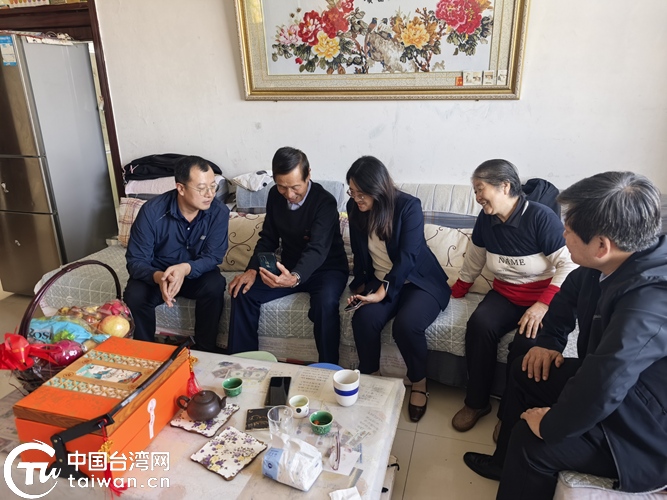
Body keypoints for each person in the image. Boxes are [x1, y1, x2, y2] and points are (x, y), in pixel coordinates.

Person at [463, 171, 667, 499]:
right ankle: (502, 465)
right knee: (525, 368)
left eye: (569, 230)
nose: (562, 234)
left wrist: (551, 425)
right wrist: (549, 342)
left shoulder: (650, 302)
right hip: (616, 391)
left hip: (643, 427)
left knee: (531, 441)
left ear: (602, 245)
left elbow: (606, 379)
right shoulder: (607, 263)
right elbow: (566, 298)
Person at [451, 160, 577, 433]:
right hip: (505, 293)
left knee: (525, 346)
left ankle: (508, 415)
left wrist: (543, 304)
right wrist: (460, 288)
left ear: (505, 186)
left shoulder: (541, 218)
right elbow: (475, 257)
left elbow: (569, 265)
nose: (477, 197)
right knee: (479, 326)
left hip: (542, 298)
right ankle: (476, 403)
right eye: (475, 191)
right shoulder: (486, 219)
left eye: (480, 189)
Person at [345, 156, 452, 422]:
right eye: (352, 192)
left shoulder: (408, 206)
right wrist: (360, 286)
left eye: (361, 193)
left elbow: (408, 256)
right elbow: (360, 250)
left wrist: (384, 290)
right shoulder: (354, 207)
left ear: (378, 187)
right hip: (379, 278)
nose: (356, 199)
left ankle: (419, 383)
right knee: (363, 319)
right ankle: (373, 378)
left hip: (418, 281)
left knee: (406, 325)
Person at [227, 147, 348, 363]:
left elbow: (318, 248)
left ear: (308, 175)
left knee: (325, 305)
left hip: (326, 270)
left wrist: (295, 277)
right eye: (282, 186)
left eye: (295, 187)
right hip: (288, 267)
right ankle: (243, 364)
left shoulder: (325, 202)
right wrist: (253, 270)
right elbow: (268, 239)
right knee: (243, 291)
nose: (289, 195)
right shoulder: (275, 196)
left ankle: (328, 369)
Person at [124, 155, 229, 352]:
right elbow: (136, 261)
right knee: (135, 295)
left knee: (215, 284)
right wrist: (159, 277)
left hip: (194, 273)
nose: (209, 194)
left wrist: (185, 269)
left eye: (212, 186)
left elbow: (213, 256)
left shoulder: (219, 212)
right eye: (201, 188)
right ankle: (145, 352)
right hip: (158, 275)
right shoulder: (151, 212)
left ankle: (205, 350)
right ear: (181, 188)